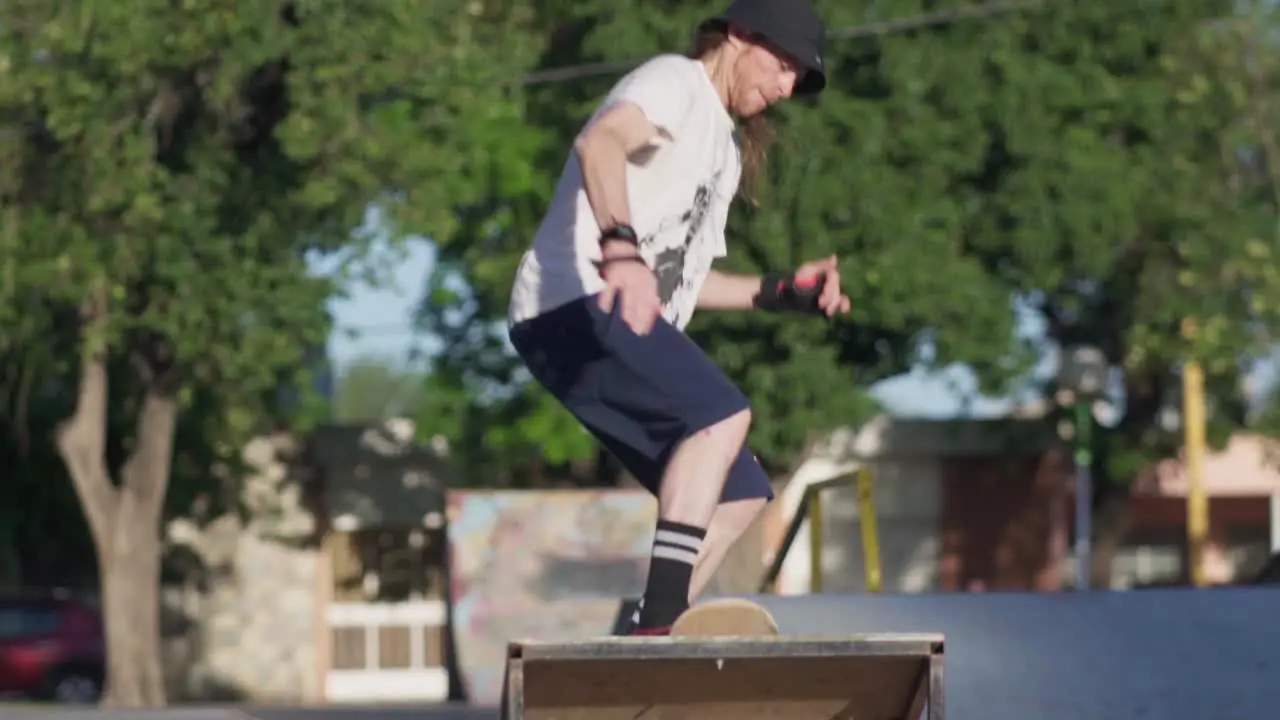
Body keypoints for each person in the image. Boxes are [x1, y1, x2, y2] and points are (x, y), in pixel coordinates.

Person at [505, 0, 851, 636]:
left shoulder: (721, 147)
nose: (786, 87)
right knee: (721, 416)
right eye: (783, 66)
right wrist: (619, 249)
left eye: (797, 81)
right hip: (573, 298)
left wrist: (780, 292)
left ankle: (649, 629)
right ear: (741, 37)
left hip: (603, 314)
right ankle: (661, 618)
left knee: (742, 492)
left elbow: (680, 285)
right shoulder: (674, 82)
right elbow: (600, 141)